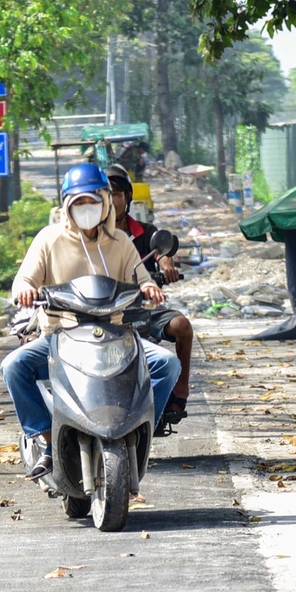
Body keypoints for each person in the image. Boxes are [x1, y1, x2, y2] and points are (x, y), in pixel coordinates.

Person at [3, 162, 179, 478]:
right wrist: (27, 290)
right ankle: (46, 440)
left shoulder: (121, 242)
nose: (87, 208)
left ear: (105, 202)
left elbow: (140, 279)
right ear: (67, 204)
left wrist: (149, 288)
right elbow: (23, 280)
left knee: (167, 365)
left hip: (116, 336)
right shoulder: (48, 239)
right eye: (79, 201)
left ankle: (140, 430)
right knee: (14, 367)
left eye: (93, 200)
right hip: (61, 337)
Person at [108, 167, 194, 432]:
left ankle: (180, 388)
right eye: (104, 194)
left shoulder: (145, 232)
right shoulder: (94, 236)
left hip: (142, 307)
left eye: (116, 194)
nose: (111, 200)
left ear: (128, 197)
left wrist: (166, 262)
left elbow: (160, 254)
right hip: (103, 309)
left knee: (182, 326)